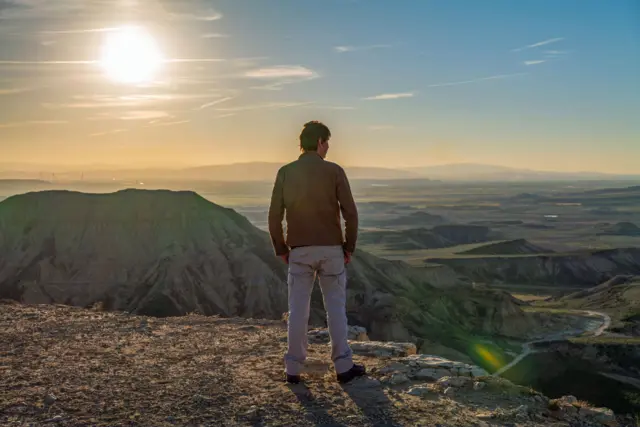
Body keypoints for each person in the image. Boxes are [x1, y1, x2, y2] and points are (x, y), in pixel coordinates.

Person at [268, 120, 366, 384]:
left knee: (298, 309)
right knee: (335, 308)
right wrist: (349, 247)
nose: (329, 147)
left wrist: (281, 248)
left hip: (299, 250)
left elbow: (274, 216)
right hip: (331, 249)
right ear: (320, 142)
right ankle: (343, 367)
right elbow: (351, 215)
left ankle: (293, 368)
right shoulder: (334, 171)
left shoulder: (286, 172)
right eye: (327, 142)